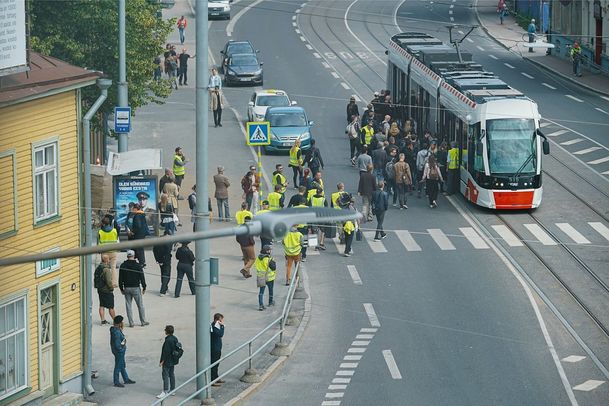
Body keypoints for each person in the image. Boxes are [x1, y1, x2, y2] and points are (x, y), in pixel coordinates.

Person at [119, 250, 149, 327]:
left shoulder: (123, 265)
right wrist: (144, 286)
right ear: (134, 256)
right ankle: (143, 321)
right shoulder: (138, 265)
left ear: (127, 256)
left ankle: (131, 323)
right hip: (135, 287)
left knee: (128, 306)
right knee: (140, 305)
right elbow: (142, 277)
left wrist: (121, 288)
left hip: (127, 287)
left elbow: (120, 278)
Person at [110, 315, 136, 387]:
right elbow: (117, 344)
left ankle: (126, 378)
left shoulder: (114, 330)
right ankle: (116, 381)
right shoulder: (117, 332)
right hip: (119, 352)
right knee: (118, 366)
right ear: (119, 323)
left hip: (116, 351)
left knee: (122, 365)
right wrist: (121, 349)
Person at [157, 325, 180, 399]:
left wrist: (162, 361)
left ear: (166, 331)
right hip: (173, 360)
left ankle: (165, 390)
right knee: (171, 374)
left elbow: (165, 352)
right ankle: (173, 389)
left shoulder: (167, 341)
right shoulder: (175, 338)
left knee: (165, 375)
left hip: (167, 361)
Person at [98, 215, 119, 285]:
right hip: (113, 251)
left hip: (104, 252)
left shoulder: (100, 232)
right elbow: (116, 239)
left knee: (104, 268)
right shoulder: (114, 230)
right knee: (113, 267)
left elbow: (99, 242)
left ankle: (105, 282)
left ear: (103, 223)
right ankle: (114, 283)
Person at [96, 254, 116, 324]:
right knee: (111, 307)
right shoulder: (106, 269)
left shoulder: (98, 267)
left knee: (101, 305)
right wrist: (111, 288)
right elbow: (109, 281)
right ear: (107, 260)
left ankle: (102, 320)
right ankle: (115, 320)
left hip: (100, 289)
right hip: (106, 290)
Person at [255, 245, 276, 311]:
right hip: (269, 278)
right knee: (270, 290)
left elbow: (255, 265)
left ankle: (260, 305)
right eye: (270, 250)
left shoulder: (258, 258)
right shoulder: (268, 259)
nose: (270, 251)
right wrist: (273, 261)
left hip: (260, 276)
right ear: (267, 251)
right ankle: (270, 302)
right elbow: (273, 268)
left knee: (261, 292)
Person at [210, 313, 225, 386]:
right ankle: (212, 380)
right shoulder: (213, 327)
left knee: (217, 364)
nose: (222, 321)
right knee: (214, 364)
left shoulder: (216, 326)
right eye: (221, 320)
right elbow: (220, 334)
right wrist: (222, 327)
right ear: (217, 320)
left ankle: (216, 377)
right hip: (214, 348)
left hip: (218, 347)